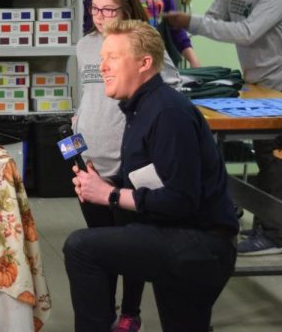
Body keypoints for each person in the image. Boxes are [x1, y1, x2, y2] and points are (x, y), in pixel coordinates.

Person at [64, 20, 237, 332]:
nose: (102, 67)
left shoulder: (168, 113)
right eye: (102, 58)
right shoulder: (140, 109)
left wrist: (109, 195)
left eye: (112, 58)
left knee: (81, 248)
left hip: (201, 245)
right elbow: (151, 180)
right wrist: (104, 186)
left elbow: (181, 200)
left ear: (145, 63)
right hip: (178, 233)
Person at [165, 0, 282, 256]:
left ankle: (273, 234)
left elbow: (245, 32)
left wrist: (192, 22)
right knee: (264, 154)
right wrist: (179, 28)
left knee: (277, 158)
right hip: (257, 80)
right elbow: (215, 16)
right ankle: (254, 219)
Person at [73, 0, 181, 332]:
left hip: (128, 159)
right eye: (95, 9)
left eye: (109, 9)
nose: (100, 16)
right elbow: (86, 93)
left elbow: (172, 86)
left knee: (130, 244)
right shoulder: (84, 46)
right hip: (90, 155)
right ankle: (103, 311)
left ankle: (130, 313)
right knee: (96, 242)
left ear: (127, 10)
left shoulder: (140, 45)